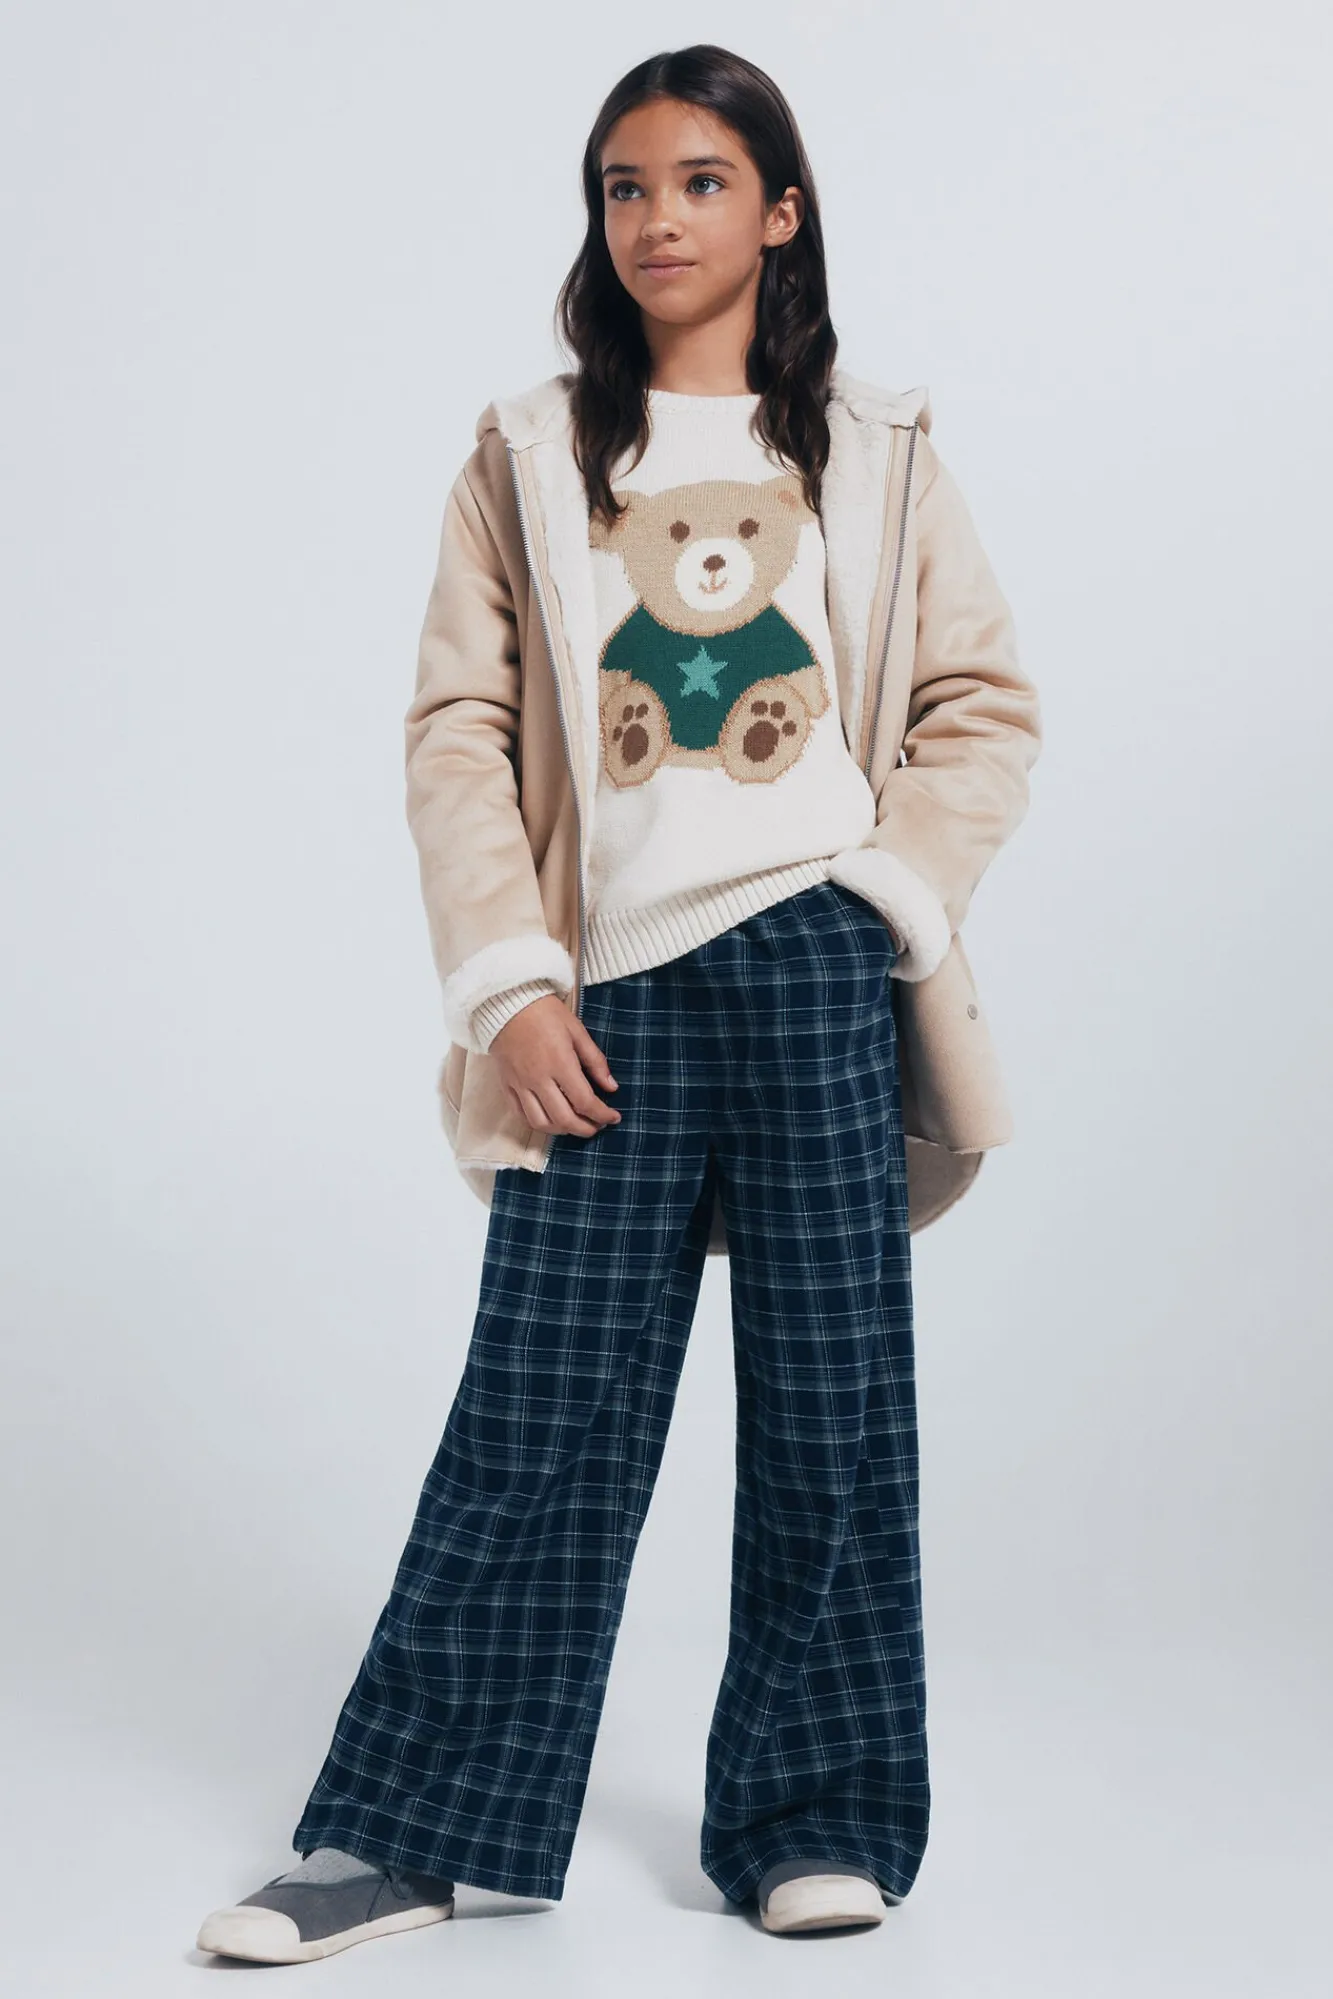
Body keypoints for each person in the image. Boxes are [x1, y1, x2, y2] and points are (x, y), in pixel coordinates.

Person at [195, 41, 1042, 1964]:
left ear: (782, 210)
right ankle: (407, 1829)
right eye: (625, 186)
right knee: (542, 1405)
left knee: (834, 1408)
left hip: (818, 960)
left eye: (702, 181)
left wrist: (886, 905)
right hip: (604, 992)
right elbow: (457, 730)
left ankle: (816, 1819)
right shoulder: (527, 453)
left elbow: (981, 704)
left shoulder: (879, 446)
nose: (658, 217)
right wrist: (508, 984)